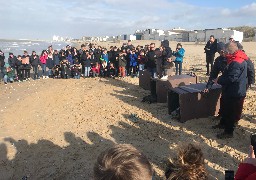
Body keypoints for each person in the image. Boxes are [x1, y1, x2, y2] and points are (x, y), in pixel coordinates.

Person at [215, 42, 248, 139]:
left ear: (229, 51)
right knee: (225, 108)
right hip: (229, 90)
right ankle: (222, 123)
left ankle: (228, 132)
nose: (223, 53)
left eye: (225, 51)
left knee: (230, 112)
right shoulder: (234, 59)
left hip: (235, 91)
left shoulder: (237, 62)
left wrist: (219, 80)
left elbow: (231, 78)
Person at [203, 42, 227, 127]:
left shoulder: (232, 58)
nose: (222, 53)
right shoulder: (218, 60)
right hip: (225, 82)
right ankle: (221, 115)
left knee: (231, 103)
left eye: (223, 51)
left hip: (235, 83)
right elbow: (213, 74)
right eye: (220, 52)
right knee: (223, 99)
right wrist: (208, 86)